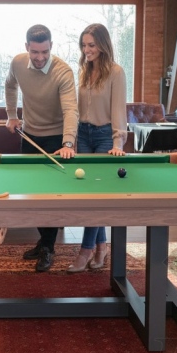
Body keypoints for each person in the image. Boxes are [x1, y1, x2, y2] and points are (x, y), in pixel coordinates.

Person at [5, 24, 79, 272]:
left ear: (51, 47)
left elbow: (71, 110)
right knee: (31, 194)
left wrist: (68, 142)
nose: (40, 57)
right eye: (35, 52)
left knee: (50, 197)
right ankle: (44, 242)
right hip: (29, 135)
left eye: (45, 51)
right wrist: (11, 115)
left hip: (56, 138)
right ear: (27, 47)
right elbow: (10, 85)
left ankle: (47, 246)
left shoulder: (63, 71)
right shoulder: (18, 63)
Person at [67, 23, 127, 273]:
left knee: (96, 194)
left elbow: (118, 108)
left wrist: (117, 142)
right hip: (83, 134)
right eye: (84, 45)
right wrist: (71, 138)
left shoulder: (116, 72)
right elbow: (76, 108)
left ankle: (85, 250)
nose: (87, 50)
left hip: (104, 136)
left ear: (102, 45)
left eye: (91, 45)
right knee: (88, 194)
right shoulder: (83, 70)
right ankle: (102, 247)